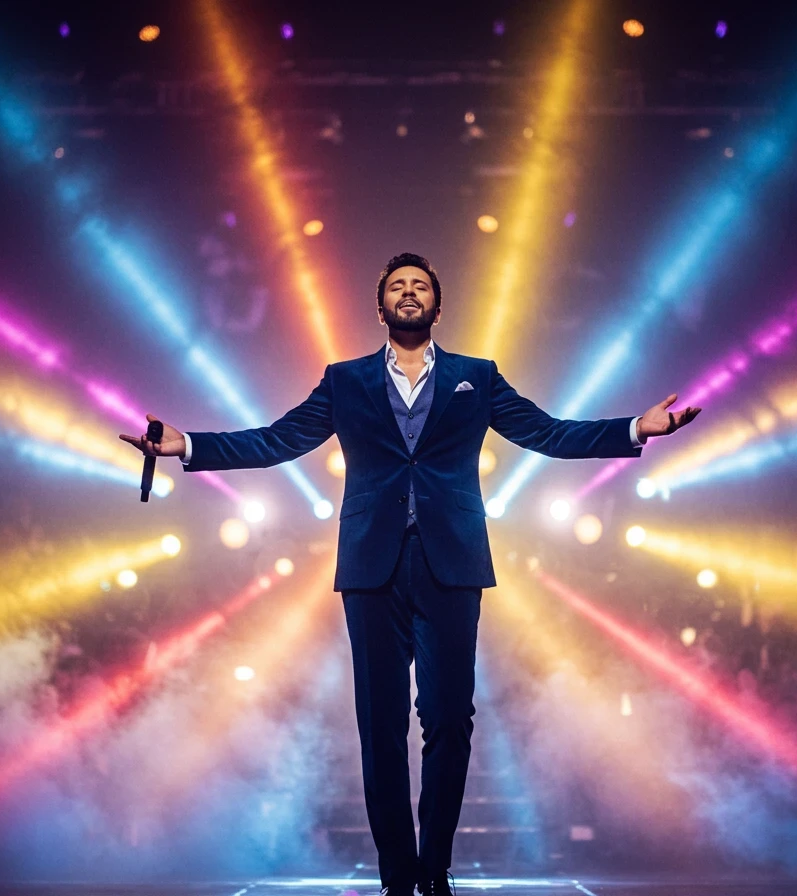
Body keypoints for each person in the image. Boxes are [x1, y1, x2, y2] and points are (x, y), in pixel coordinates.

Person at [121, 252, 701, 896]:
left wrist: (632, 430)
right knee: (381, 725)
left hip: (451, 565)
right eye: (397, 286)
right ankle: (398, 877)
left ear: (436, 306)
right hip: (372, 568)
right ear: (380, 308)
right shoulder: (344, 381)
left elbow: (547, 432)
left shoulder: (475, 378)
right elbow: (275, 440)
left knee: (450, 720)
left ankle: (435, 869)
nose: (408, 292)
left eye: (419, 285)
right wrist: (187, 445)